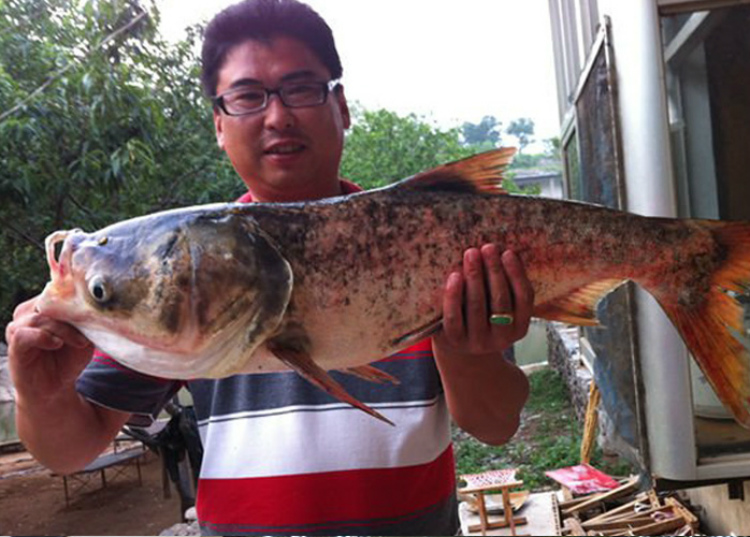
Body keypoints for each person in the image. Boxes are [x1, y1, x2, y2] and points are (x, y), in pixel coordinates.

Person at [6, 0, 532, 534]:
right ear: (218, 123)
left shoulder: (434, 242)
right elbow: (71, 449)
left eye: (301, 88)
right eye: (247, 96)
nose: (277, 116)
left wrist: (467, 349)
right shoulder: (182, 271)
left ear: (342, 107)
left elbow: (494, 424)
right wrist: (41, 393)